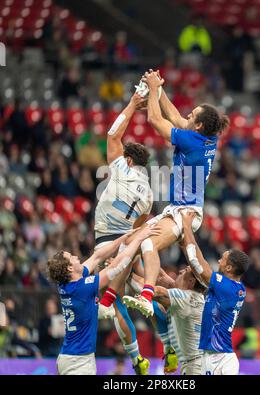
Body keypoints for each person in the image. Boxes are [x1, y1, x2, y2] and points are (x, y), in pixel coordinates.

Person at [123, 70, 229, 317]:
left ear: (199, 125)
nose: (187, 116)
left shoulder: (191, 141)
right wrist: (158, 89)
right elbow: (175, 116)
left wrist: (150, 90)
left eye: (192, 115)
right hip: (179, 208)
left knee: (147, 243)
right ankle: (144, 287)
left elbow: (155, 120)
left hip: (185, 213)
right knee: (131, 243)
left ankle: (147, 294)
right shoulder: (206, 138)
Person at [94, 92, 159, 375]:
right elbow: (138, 228)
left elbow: (112, 135)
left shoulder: (121, 168)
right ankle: (168, 345)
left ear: (130, 160)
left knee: (112, 300)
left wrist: (133, 104)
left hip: (107, 240)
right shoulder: (149, 193)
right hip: (129, 244)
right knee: (146, 289)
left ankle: (137, 360)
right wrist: (127, 254)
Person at [47, 226, 157, 375]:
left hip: (70, 357)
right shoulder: (82, 288)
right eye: (71, 257)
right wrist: (138, 239)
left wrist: (124, 238)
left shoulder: (67, 283)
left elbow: (97, 256)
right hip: (78, 362)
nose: (76, 256)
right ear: (70, 269)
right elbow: (117, 266)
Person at [180, 210, 250, 375]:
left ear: (229, 268)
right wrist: (186, 240)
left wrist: (187, 227)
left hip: (222, 358)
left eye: (223, 259)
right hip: (212, 355)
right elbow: (199, 264)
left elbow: (199, 266)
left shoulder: (227, 288)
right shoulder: (233, 288)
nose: (219, 260)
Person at [129, 266, 206, 375]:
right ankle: (169, 349)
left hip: (195, 367)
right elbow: (158, 275)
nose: (180, 270)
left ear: (191, 282)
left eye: (184, 271)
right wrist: (141, 254)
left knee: (151, 301)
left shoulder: (186, 297)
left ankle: (168, 348)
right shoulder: (194, 296)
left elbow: (153, 291)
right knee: (155, 306)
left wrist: (124, 271)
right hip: (195, 363)